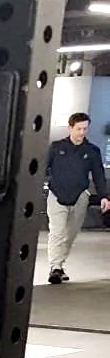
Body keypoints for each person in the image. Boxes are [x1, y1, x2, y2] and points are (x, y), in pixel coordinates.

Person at [45, 112, 110, 284]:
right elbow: (43, 168)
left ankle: (60, 263)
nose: (82, 132)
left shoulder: (92, 151)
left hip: (80, 196)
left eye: (85, 129)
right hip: (56, 195)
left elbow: (98, 175)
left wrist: (104, 196)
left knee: (70, 234)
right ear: (70, 127)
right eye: (79, 128)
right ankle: (55, 267)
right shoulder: (56, 147)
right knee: (56, 232)